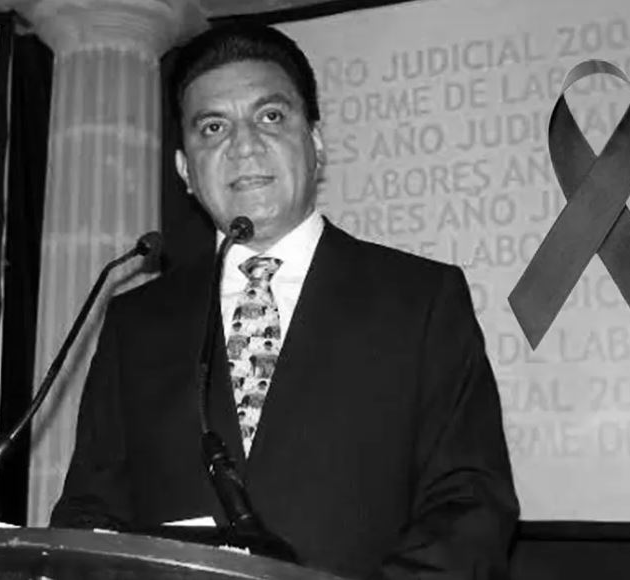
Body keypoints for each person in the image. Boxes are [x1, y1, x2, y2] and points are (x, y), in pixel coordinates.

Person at [51, 22, 519, 580]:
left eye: (270, 117)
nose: (244, 145)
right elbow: (91, 510)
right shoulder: (137, 322)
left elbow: (469, 509)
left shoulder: (419, 300)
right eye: (213, 127)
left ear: (316, 143)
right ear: (185, 171)